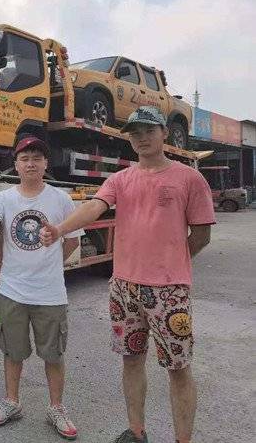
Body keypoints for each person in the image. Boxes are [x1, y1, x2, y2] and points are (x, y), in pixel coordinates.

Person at [39, 106, 215, 443]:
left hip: (169, 291)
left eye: (149, 130)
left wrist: (170, 261)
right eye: (135, 132)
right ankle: (136, 431)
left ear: (164, 133)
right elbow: (94, 206)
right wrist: (60, 229)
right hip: (124, 288)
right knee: (131, 360)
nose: (142, 137)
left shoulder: (189, 178)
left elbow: (202, 235)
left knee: (178, 368)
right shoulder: (120, 179)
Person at [0, 136, 83, 440]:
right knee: (13, 352)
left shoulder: (61, 199)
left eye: (37, 158)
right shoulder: (4, 198)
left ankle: (56, 408)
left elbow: (73, 240)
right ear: (16, 165)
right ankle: (12, 402)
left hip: (50, 294)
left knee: (53, 354)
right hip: (11, 291)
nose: (31, 164)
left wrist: (49, 265)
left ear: (46, 163)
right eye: (24, 159)